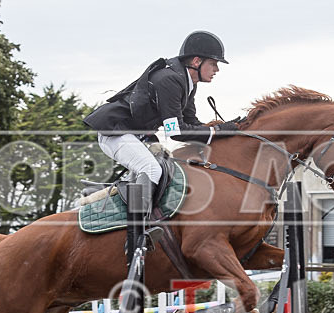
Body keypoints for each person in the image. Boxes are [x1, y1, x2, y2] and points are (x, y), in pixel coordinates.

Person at [83, 30, 240, 211]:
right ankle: (137, 236)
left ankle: (104, 196)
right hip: (115, 133)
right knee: (153, 170)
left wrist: (222, 128)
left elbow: (191, 122)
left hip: (136, 135)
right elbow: (176, 132)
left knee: (167, 168)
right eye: (213, 63)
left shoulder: (188, 83)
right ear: (197, 61)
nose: (217, 70)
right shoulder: (170, 80)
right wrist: (217, 132)